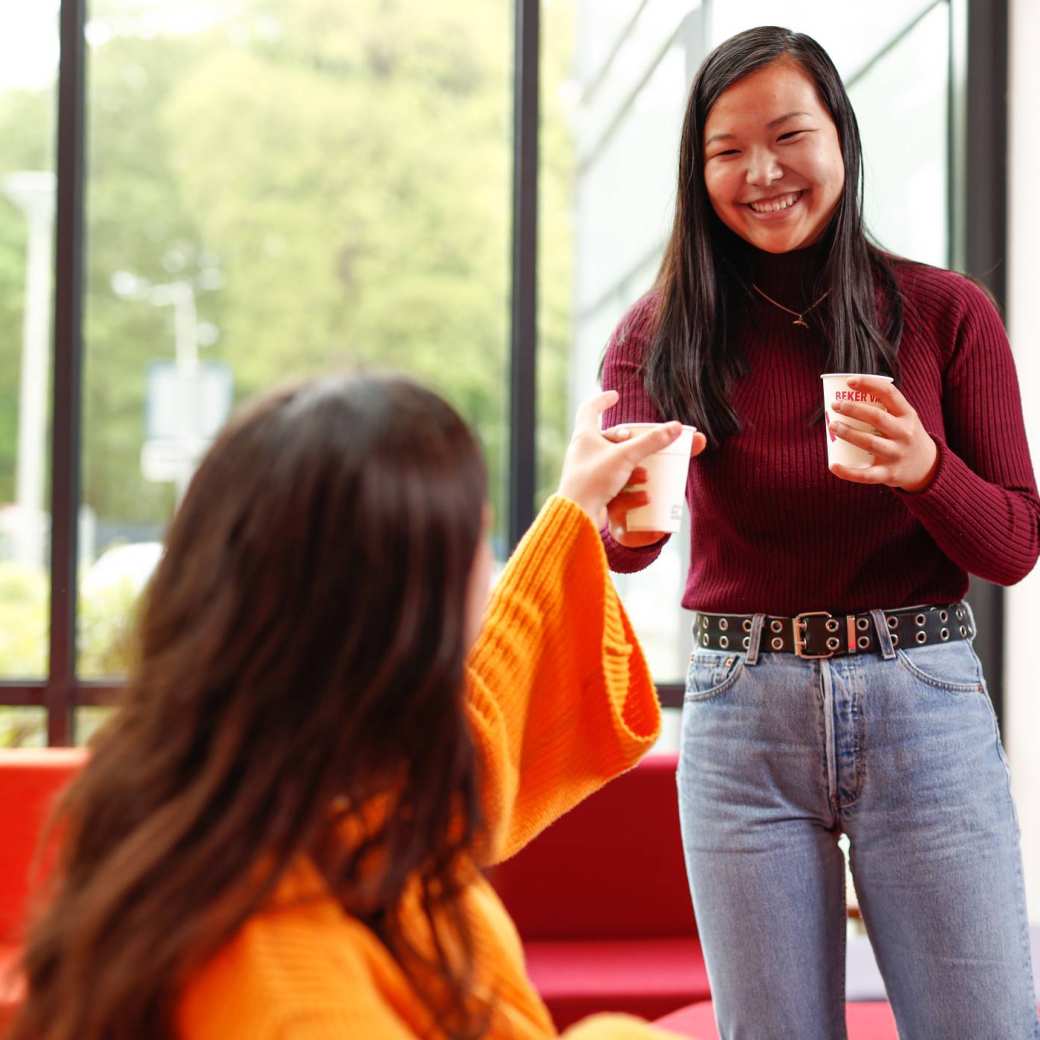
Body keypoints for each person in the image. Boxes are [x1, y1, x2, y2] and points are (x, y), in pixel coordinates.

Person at [9, 374, 705, 1040]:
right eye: (474, 547)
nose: (486, 586)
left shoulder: (284, 803)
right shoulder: (287, 990)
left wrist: (575, 508)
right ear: (399, 622)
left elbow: (480, 714)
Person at [600, 25, 1040, 1040]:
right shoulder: (656, 331)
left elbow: (1012, 545)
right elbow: (631, 548)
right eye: (725, 150)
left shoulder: (943, 313)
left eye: (787, 134)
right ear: (695, 168)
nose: (760, 172)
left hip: (919, 697)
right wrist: (617, 498)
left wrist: (924, 469)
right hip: (738, 708)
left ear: (838, 136)